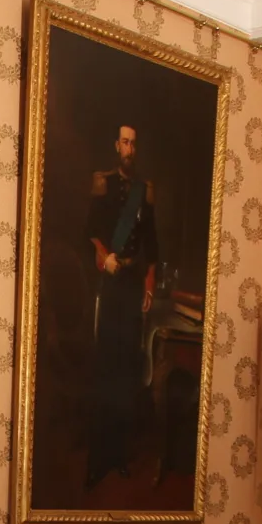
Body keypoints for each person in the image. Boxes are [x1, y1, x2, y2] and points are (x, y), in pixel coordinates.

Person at [80, 122, 157, 490]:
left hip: (130, 286)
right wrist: (102, 256)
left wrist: (149, 282)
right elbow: (89, 230)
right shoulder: (103, 182)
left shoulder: (146, 191)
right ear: (116, 146)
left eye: (134, 143)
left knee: (126, 374)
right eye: (124, 142)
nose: (129, 148)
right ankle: (98, 459)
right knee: (103, 372)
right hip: (108, 285)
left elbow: (152, 244)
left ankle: (118, 456)